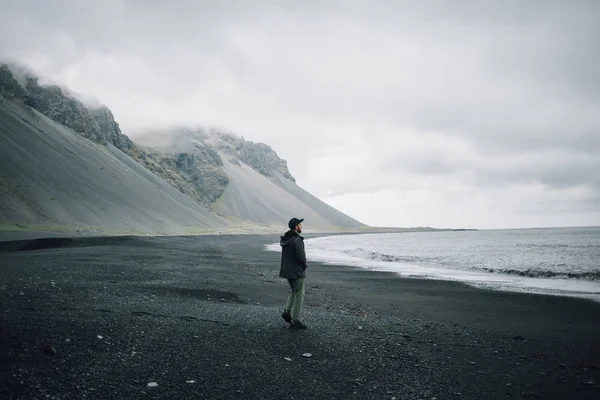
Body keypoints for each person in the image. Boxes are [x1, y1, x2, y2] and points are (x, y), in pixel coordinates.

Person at [279, 217, 308, 329]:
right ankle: (296, 320)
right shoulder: (297, 240)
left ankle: (287, 312)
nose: (301, 227)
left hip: (287, 271)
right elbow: (301, 257)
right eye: (300, 225)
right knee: (299, 295)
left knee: (293, 291)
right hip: (296, 272)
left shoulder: (285, 239)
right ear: (296, 227)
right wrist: (304, 266)